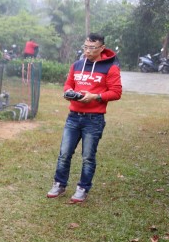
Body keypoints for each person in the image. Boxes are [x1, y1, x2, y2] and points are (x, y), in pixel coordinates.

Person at [46, 33, 122, 202]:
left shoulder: (111, 68)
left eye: (92, 48)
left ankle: (83, 188)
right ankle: (59, 184)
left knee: (88, 156)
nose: (87, 51)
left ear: (102, 48)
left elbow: (116, 92)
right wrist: (68, 92)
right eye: (85, 47)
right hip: (73, 116)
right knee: (64, 153)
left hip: (94, 119)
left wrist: (95, 97)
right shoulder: (77, 65)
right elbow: (69, 83)